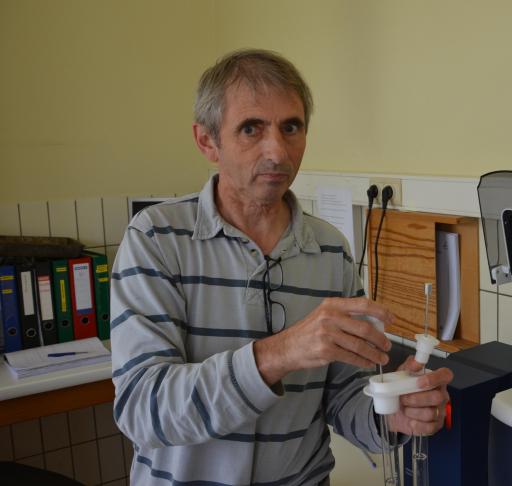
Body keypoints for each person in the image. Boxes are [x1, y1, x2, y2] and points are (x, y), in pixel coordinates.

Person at [110, 49, 453, 486]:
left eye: (291, 127)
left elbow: (345, 396)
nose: (277, 150)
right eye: (251, 128)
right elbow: (143, 410)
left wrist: (389, 413)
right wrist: (280, 354)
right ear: (207, 142)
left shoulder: (331, 252)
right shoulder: (155, 239)